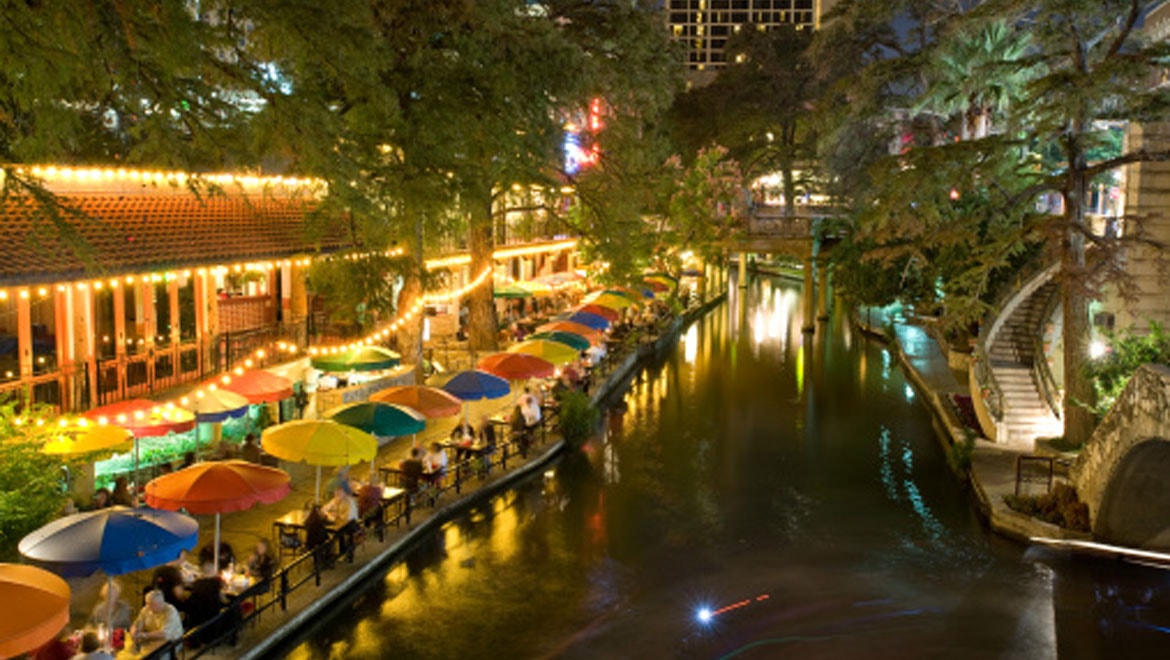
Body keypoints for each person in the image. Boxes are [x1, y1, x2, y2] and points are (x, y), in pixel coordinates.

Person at [182, 562, 227, 647]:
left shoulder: (196, 583)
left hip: (197, 616)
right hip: (213, 616)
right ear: (214, 571)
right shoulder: (216, 584)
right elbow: (223, 599)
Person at [129, 589, 184, 654]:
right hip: (151, 638)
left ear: (161, 603)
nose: (148, 606)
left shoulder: (170, 611)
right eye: (147, 603)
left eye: (151, 604)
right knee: (130, 651)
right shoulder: (146, 608)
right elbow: (136, 623)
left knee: (151, 655)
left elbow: (164, 634)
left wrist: (144, 635)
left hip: (170, 641)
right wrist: (134, 631)